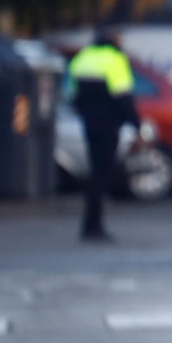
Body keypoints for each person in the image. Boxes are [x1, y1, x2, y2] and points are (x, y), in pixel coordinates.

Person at [67, 28, 140, 242]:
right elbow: (123, 97)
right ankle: (93, 227)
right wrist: (136, 124)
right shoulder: (114, 60)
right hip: (109, 126)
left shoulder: (81, 58)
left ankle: (91, 224)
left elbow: (74, 97)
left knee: (96, 173)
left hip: (90, 125)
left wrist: (87, 115)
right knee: (101, 175)